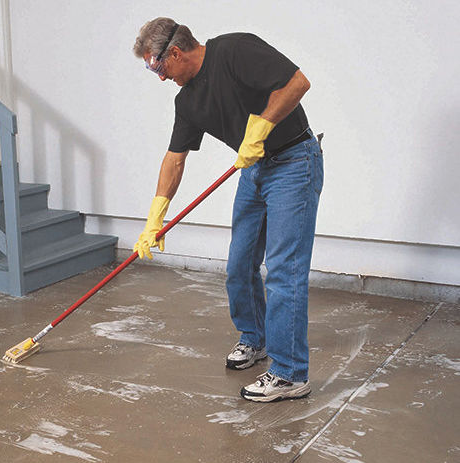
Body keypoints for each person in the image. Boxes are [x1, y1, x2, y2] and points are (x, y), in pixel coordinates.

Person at [132, 18, 323, 402]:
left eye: (157, 66)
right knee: (239, 264)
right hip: (253, 169)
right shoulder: (186, 100)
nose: (159, 77)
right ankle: (255, 339)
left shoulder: (235, 50)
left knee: (284, 270)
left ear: (175, 52)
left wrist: (262, 127)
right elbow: (175, 159)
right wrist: (157, 215)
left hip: (293, 162)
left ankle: (290, 374)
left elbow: (298, 83)